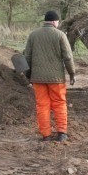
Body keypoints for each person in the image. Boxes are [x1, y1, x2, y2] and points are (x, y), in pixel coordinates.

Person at [24, 11, 76, 142]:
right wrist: (72, 73)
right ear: (54, 22)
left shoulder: (33, 35)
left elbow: (27, 57)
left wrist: (28, 74)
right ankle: (62, 133)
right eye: (58, 22)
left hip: (38, 78)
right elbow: (68, 57)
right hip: (56, 78)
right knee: (59, 103)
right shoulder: (60, 35)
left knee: (42, 105)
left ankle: (46, 135)